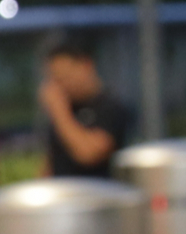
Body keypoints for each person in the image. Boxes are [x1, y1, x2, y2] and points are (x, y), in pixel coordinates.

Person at [40, 37, 128, 177]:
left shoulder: (111, 107)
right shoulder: (68, 109)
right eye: (56, 80)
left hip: (97, 189)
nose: (62, 85)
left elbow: (88, 154)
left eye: (66, 77)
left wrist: (59, 111)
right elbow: (52, 161)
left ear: (86, 65)